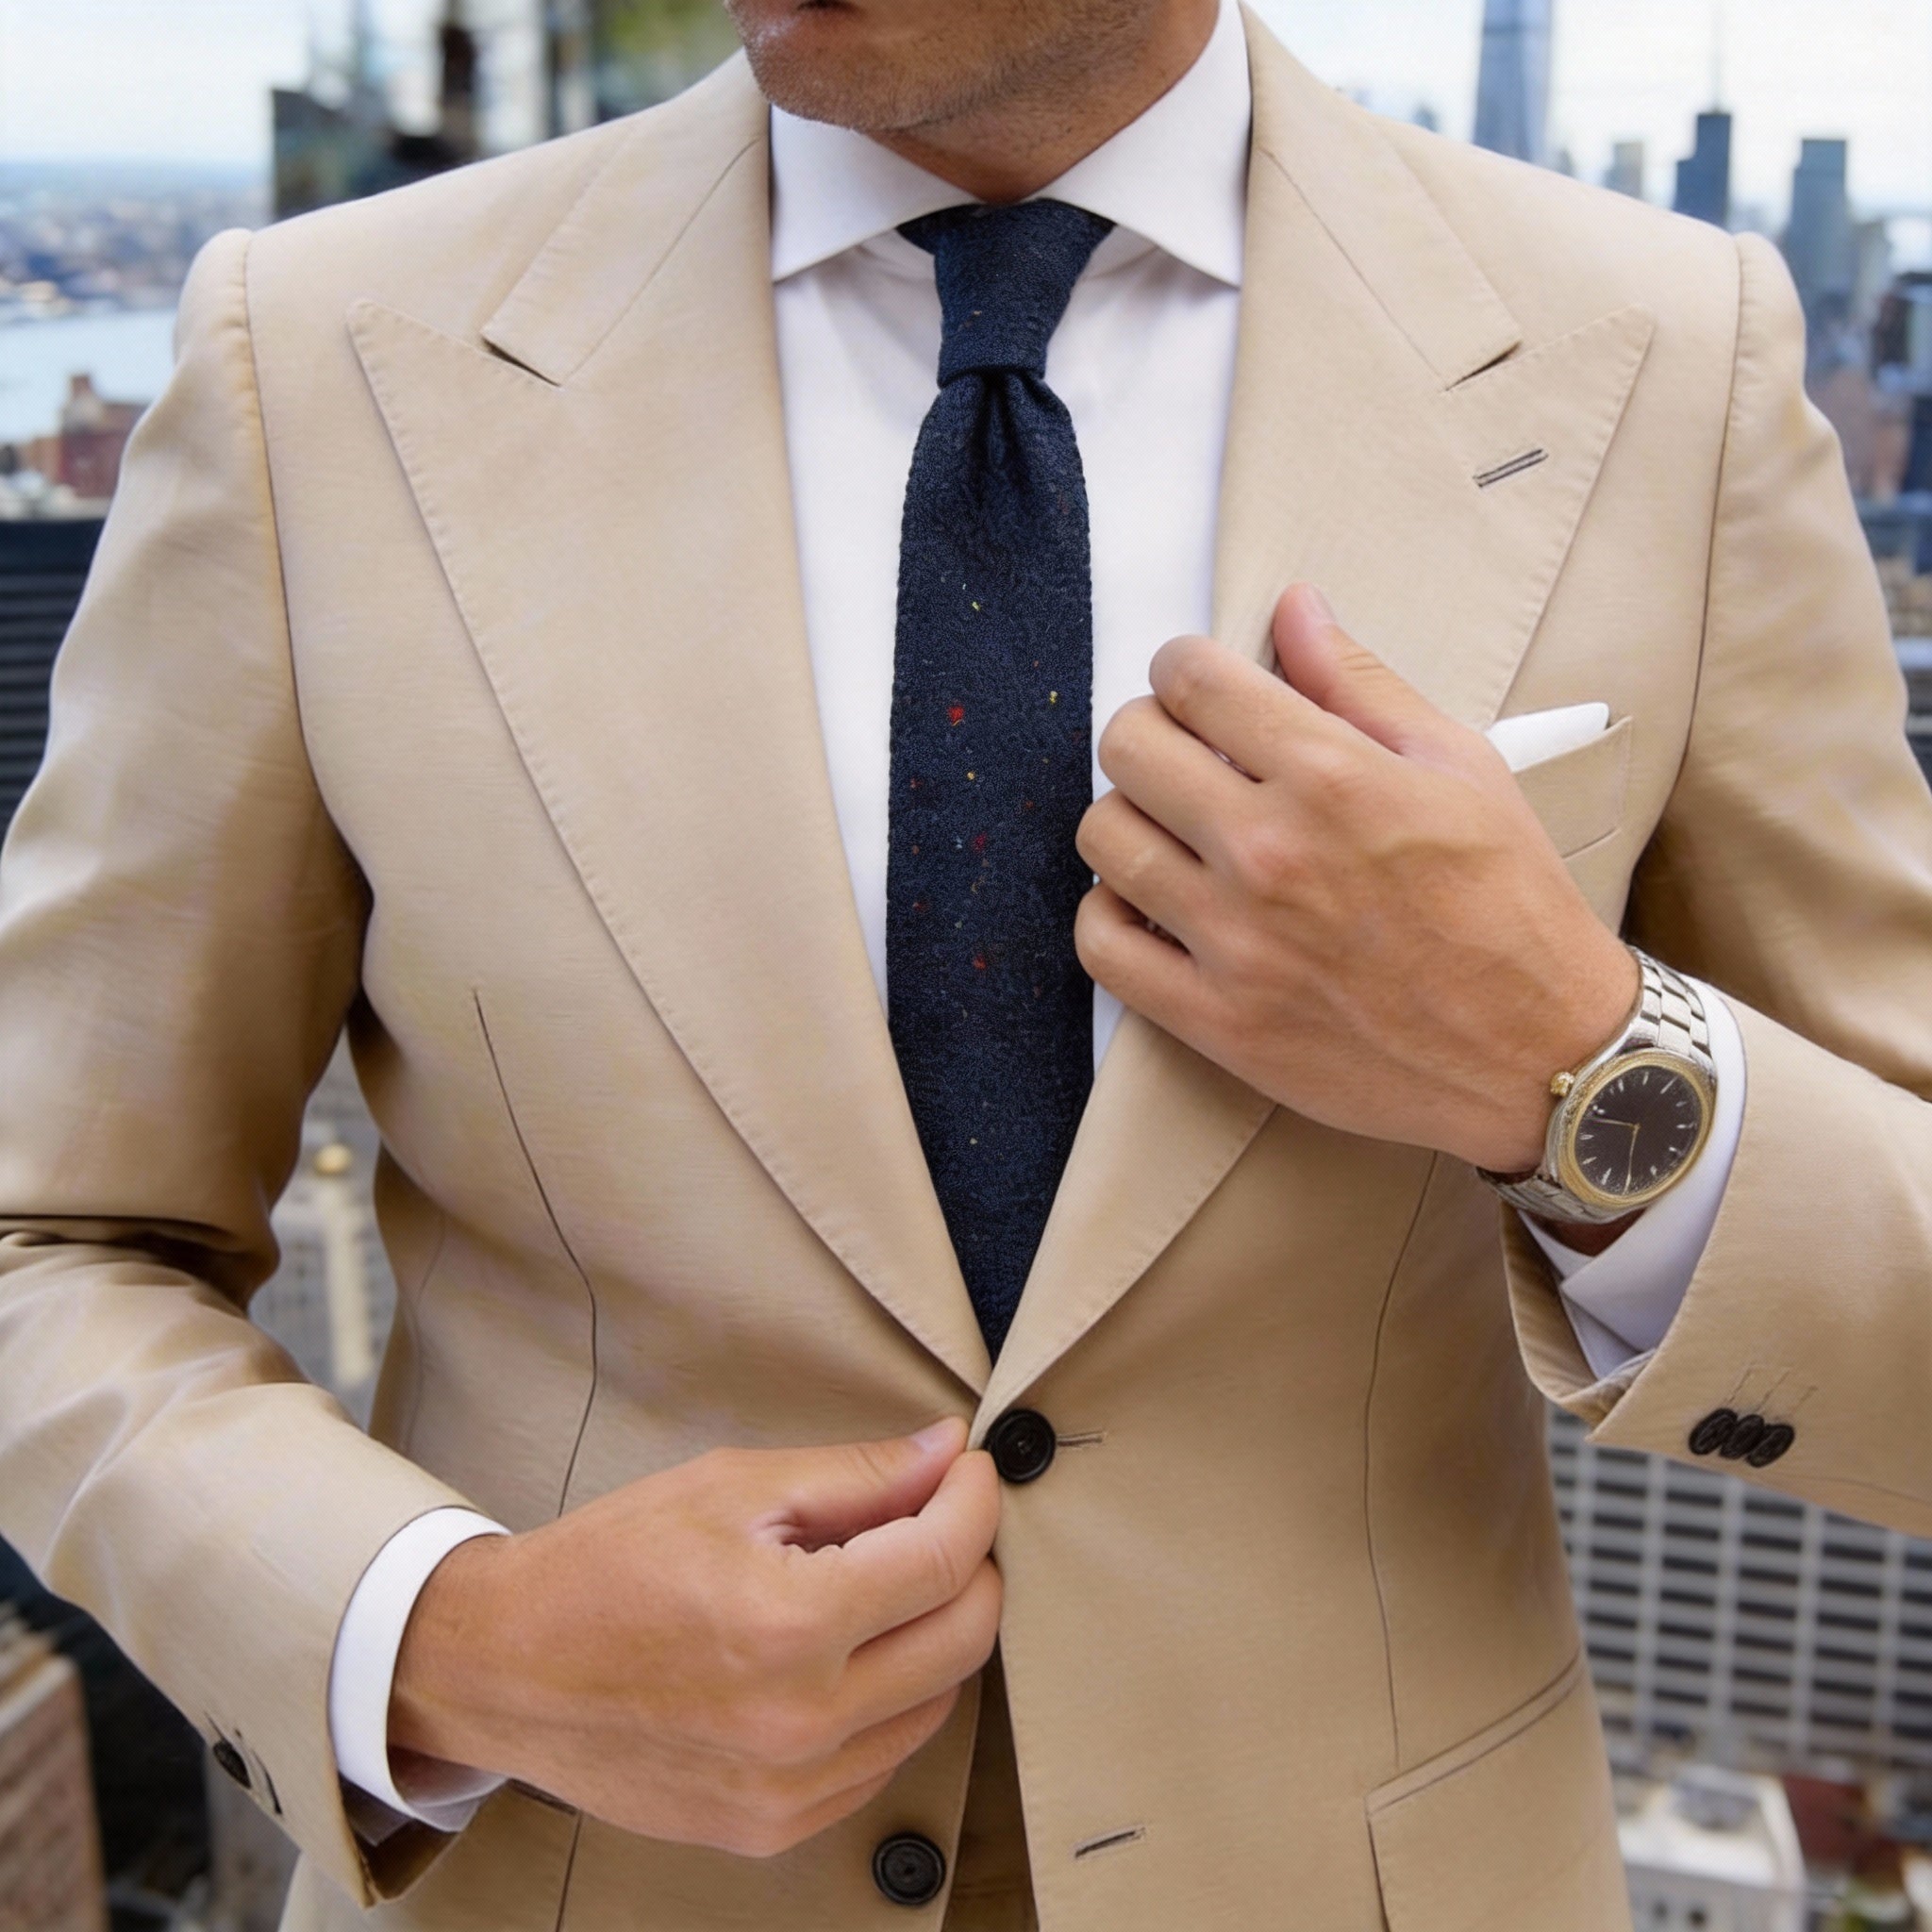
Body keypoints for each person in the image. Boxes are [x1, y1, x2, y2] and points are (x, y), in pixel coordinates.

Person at [2, 0, 1929, 1925]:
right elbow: (49, 1236)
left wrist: (1578, 1069)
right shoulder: (317, 361)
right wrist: (443, 1638)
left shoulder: (1672, 365)